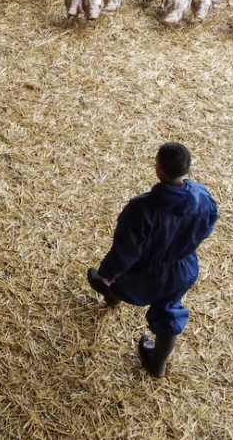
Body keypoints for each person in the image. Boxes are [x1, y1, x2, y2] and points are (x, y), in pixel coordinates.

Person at [87, 142, 218, 378]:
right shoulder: (202, 195)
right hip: (183, 269)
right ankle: (157, 363)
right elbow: (208, 225)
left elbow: (127, 250)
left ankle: (109, 290)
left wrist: (108, 272)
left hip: (146, 273)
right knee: (169, 311)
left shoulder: (143, 208)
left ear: (158, 169)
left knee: (117, 281)